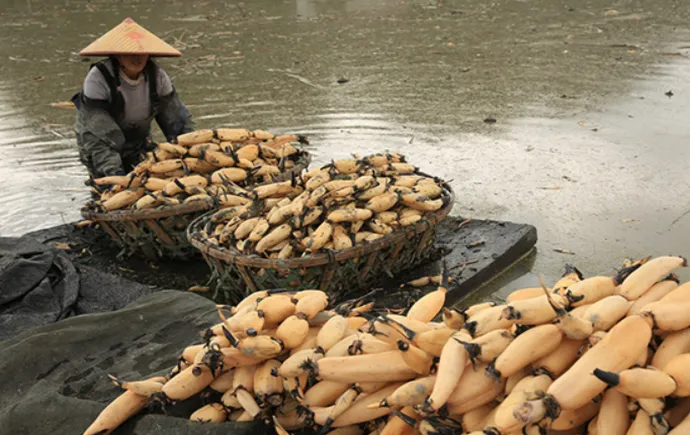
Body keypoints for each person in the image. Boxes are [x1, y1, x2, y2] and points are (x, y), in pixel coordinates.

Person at [73, 18, 195, 178]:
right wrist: (116, 178)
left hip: (138, 143)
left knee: (148, 179)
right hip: (99, 144)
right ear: (117, 56)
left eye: (141, 53)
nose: (137, 58)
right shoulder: (98, 79)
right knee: (111, 186)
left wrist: (193, 155)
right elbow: (101, 137)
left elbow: (178, 124)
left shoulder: (157, 77)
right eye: (129, 53)